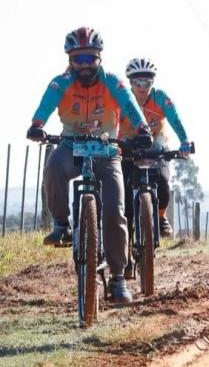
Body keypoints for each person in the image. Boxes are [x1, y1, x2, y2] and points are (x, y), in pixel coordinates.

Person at [26, 27, 153, 302]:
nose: (84, 65)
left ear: (99, 58)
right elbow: (46, 105)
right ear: (69, 59)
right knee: (53, 165)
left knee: (115, 212)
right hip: (71, 145)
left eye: (90, 59)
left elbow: (129, 104)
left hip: (107, 150)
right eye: (78, 59)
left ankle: (119, 278)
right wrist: (37, 125)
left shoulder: (113, 82)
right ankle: (62, 224)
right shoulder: (61, 82)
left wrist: (142, 128)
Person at [119, 58, 193, 243]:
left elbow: (175, 119)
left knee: (163, 179)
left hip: (157, 143)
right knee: (125, 191)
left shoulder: (160, 97)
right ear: (130, 83)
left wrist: (184, 141)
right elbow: (110, 123)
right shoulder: (124, 99)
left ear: (153, 82)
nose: (142, 87)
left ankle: (160, 217)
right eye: (137, 82)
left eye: (147, 82)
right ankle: (125, 238)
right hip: (129, 143)